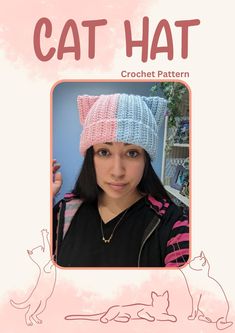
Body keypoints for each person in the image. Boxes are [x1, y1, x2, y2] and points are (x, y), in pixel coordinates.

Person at [53, 93, 189, 267]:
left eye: (132, 153)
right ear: (90, 157)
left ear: (145, 159)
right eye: (104, 152)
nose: (117, 172)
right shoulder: (64, 212)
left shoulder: (174, 226)